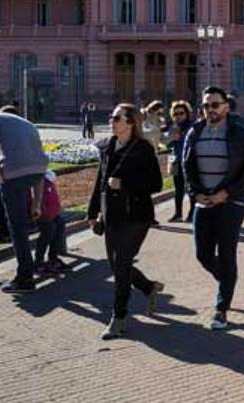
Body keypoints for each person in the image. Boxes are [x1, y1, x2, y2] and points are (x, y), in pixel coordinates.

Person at [183, 86, 244, 331]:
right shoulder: (195, 132)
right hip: (204, 200)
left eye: (215, 105)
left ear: (226, 106)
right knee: (203, 254)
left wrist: (226, 193)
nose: (210, 110)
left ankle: (221, 308)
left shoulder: (240, 133)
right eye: (206, 105)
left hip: (231, 201)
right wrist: (195, 193)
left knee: (226, 253)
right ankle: (227, 282)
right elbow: (187, 167)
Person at [88, 103, 164, 339]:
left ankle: (118, 317)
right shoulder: (108, 146)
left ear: (131, 122)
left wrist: (125, 185)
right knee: (116, 265)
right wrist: (92, 212)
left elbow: (156, 184)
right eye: (111, 117)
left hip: (136, 216)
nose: (112, 120)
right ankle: (148, 287)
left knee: (121, 264)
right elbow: (101, 181)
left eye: (117, 117)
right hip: (112, 215)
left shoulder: (142, 148)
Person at [0, 105, 48, 292]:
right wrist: (36, 204)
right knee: (21, 226)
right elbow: (38, 171)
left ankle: (25, 278)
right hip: (38, 170)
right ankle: (27, 270)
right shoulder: (27, 123)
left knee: (17, 229)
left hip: (14, 175)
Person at [34, 170, 71, 275]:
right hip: (34, 215)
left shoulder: (46, 179)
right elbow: (34, 200)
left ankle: (53, 258)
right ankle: (38, 263)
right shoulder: (33, 178)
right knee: (49, 229)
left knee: (60, 223)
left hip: (47, 214)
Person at [164, 100, 195, 222]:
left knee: (191, 187)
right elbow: (165, 143)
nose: (178, 116)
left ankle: (192, 213)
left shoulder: (192, 126)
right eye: (175, 114)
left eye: (181, 113)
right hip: (176, 160)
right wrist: (172, 137)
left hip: (189, 161)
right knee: (178, 189)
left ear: (187, 113)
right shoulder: (172, 127)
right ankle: (178, 213)